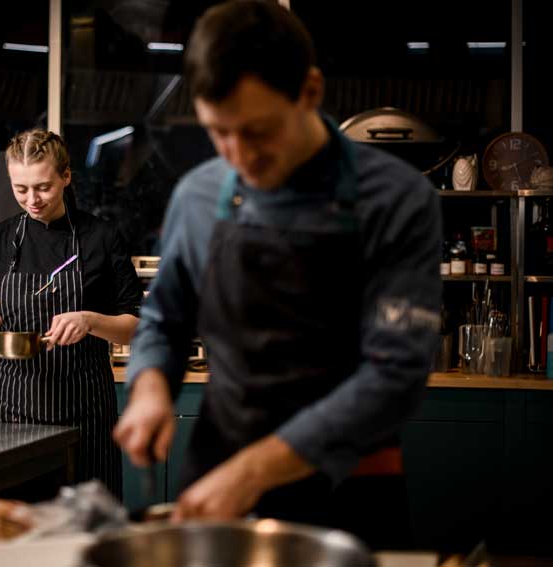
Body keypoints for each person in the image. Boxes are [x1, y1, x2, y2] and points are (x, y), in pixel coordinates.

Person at [113, 0, 442, 548]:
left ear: (309, 91)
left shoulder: (395, 199)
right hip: (218, 474)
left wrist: (253, 472)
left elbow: (395, 377)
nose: (239, 155)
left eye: (258, 131)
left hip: (349, 488)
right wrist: (149, 386)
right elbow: (163, 322)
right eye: (219, 132)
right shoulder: (197, 196)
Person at [0, 129, 143, 497]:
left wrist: (90, 321)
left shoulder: (101, 238)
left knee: (85, 523)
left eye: (43, 187)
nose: (32, 200)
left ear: (66, 177)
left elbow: (136, 328)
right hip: (11, 414)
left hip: (85, 415)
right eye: (20, 189)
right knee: (13, 522)